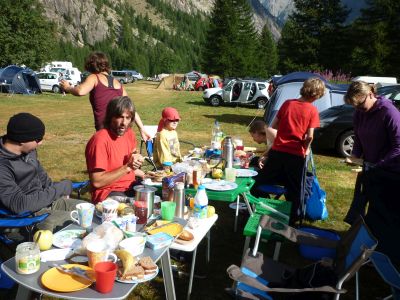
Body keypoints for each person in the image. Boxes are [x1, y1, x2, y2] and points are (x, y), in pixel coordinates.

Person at [250, 78, 325, 222]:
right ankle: (292, 219)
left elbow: (272, 127)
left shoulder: (287, 104)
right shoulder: (312, 110)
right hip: (295, 156)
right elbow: (310, 137)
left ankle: (262, 207)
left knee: (258, 181)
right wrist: (306, 148)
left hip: (277, 154)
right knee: (295, 190)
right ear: (316, 95)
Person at [344, 81, 400, 266]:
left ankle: (383, 254)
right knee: (361, 208)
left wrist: (378, 165)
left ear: (370, 94)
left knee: (383, 215)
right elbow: (358, 137)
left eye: (360, 104)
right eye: (355, 106)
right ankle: (360, 246)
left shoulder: (389, 112)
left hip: (390, 173)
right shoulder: (359, 113)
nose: (359, 109)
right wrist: (354, 156)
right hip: (369, 169)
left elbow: (398, 147)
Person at [0, 113, 84, 232]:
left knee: (89, 211)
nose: (40, 143)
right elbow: (19, 205)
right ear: (22, 140)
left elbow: (43, 178)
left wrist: (57, 190)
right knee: (76, 223)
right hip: (26, 217)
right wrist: (59, 189)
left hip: (46, 201)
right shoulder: (3, 166)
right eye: (38, 139)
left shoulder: (29, 151)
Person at [60, 51, 150, 140]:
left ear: (91, 65)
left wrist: (68, 87)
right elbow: (131, 109)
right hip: (122, 132)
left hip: (105, 132)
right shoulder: (117, 83)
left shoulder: (94, 77)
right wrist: (141, 128)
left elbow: (80, 91)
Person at [85, 96, 145, 203]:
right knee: (139, 208)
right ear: (110, 117)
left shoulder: (129, 133)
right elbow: (97, 182)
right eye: (120, 117)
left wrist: (137, 159)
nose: (124, 123)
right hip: (108, 193)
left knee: (158, 197)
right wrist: (127, 167)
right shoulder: (99, 141)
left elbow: (132, 155)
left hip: (130, 186)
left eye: (128, 118)